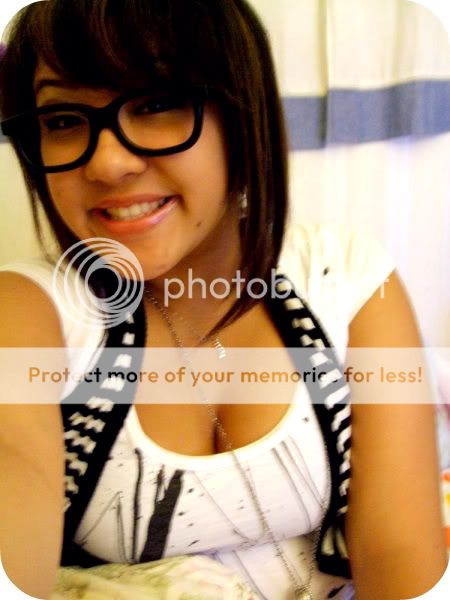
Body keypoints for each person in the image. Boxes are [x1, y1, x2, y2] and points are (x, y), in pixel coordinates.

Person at [0, 1, 447, 599]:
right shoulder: (27, 312)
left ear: (243, 114)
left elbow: (401, 561)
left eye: (156, 103)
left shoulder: (344, 278)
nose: (107, 163)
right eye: (61, 119)